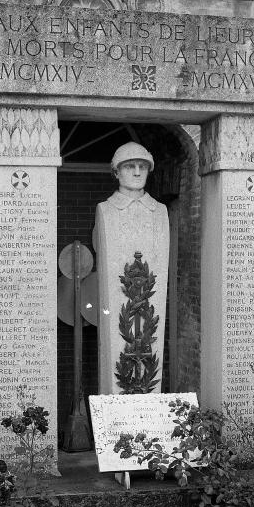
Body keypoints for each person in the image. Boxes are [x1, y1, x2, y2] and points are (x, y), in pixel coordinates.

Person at [93, 142, 170, 394]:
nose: (137, 172)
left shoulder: (160, 211)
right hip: (121, 304)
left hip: (147, 305)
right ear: (116, 172)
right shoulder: (105, 210)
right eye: (129, 166)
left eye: (142, 167)